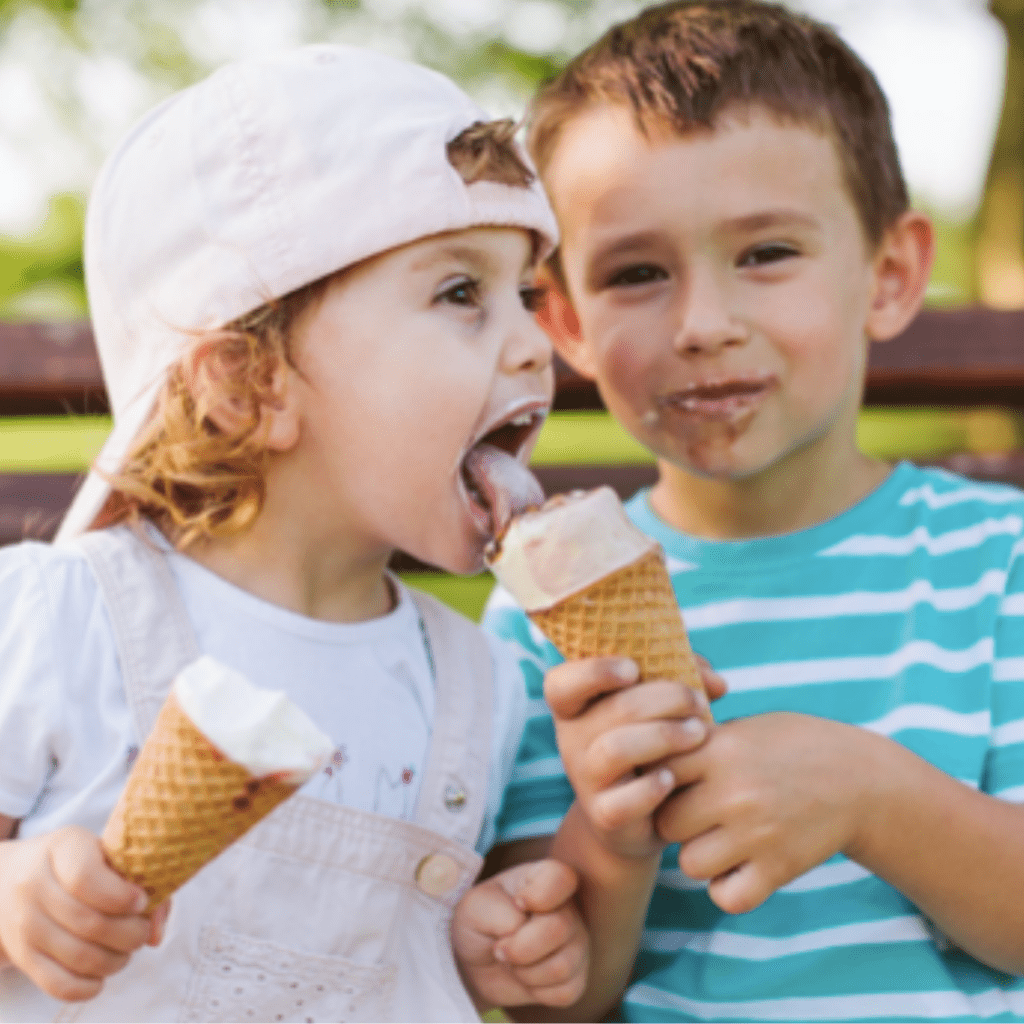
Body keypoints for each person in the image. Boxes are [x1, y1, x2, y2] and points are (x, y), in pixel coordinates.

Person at [0, 44, 715, 1024]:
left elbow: (419, 958)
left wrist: (500, 934)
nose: (533, 344)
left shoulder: (474, 680)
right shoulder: (61, 621)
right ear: (248, 385)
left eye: (523, 292)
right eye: (459, 293)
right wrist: (15, 894)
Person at [482, 1, 1024, 1020]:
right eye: (636, 273)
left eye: (765, 253)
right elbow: (554, 1002)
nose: (702, 324)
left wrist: (872, 795)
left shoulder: (998, 565)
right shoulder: (538, 618)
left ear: (890, 273)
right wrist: (608, 832)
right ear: (566, 323)